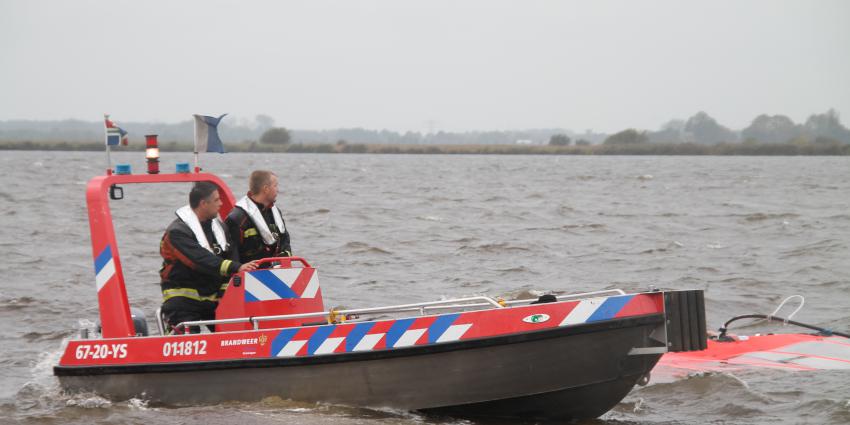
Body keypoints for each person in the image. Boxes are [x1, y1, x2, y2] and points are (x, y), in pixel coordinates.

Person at [160, 182, 258, 333]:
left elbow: (232, 256)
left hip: (213, 299)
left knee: (235, 335)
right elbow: (199, 260)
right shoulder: (177, 233)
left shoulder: (219, 228)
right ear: (203, 203)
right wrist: (236, 267)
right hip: (183, 300)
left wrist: (225, 293)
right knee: (188, 344)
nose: (221, 204)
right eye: (217, 200)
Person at [226, 170, 292, 265]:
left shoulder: (275, 212)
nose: (278, 190)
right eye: (275, 186)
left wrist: (285, 254)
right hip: (250, 275)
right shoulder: (238, 218)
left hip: (276, 271)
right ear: (266, 189)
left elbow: (285, 238)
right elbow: (232, 254)